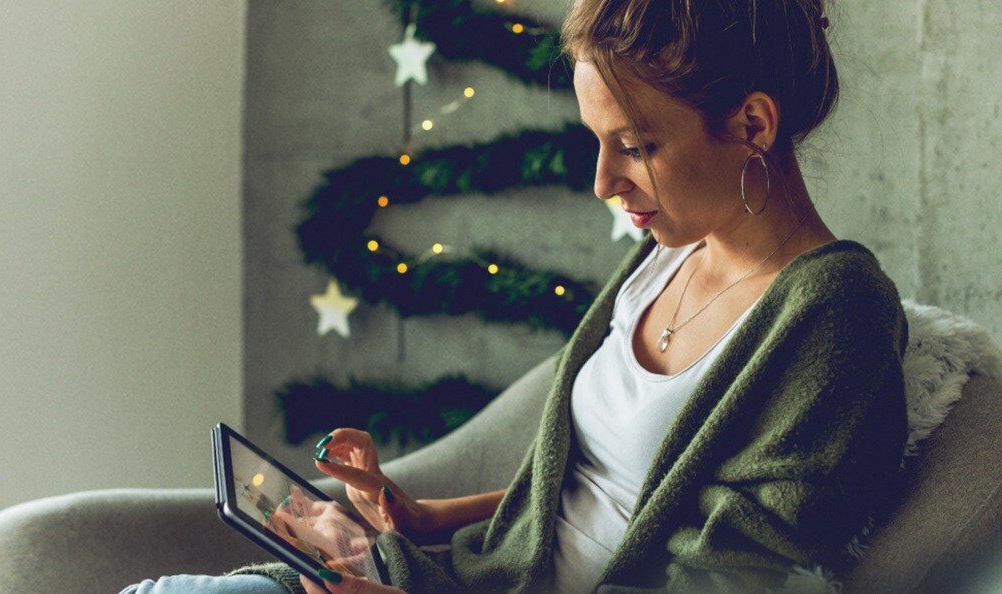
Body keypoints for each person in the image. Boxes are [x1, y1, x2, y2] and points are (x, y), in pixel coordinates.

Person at [121, 0, 908, 592]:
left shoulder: (836, 311)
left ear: (753, 123)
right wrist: (424, 515)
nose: (603, 183)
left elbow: (741, 573)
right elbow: (608, 484)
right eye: (597, 143)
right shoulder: (666, 255)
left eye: (635, 147)